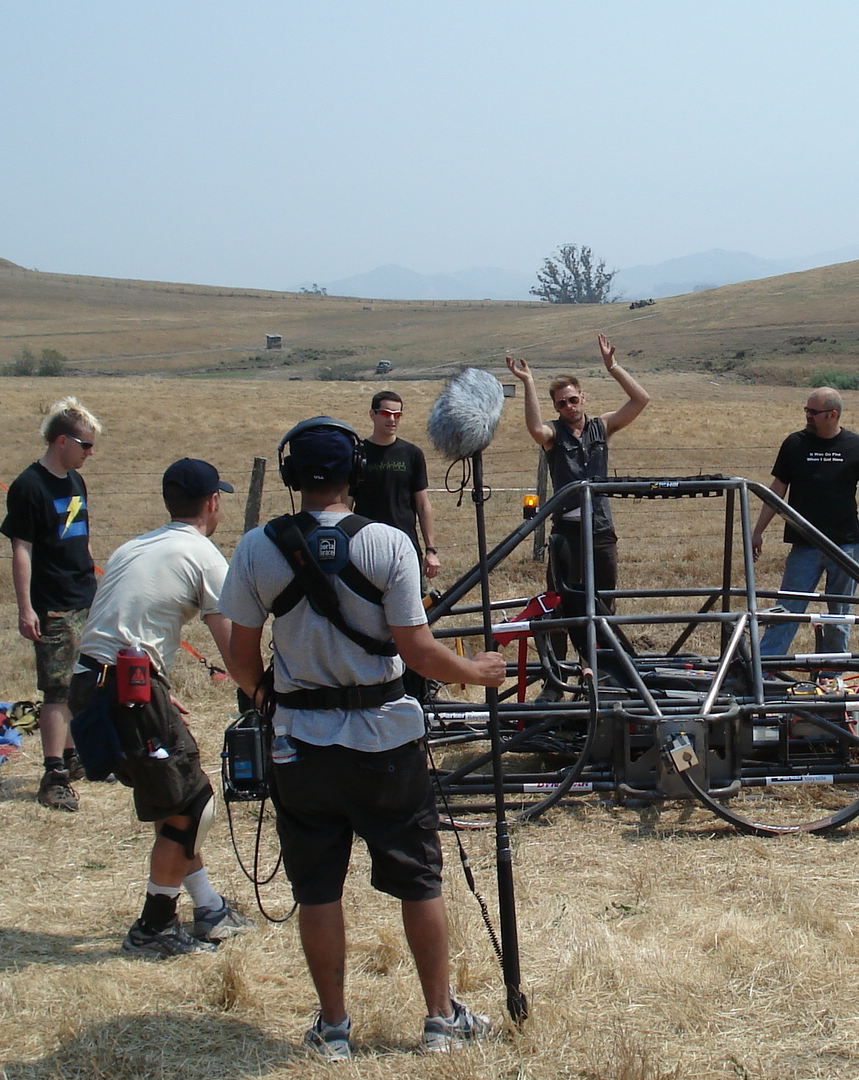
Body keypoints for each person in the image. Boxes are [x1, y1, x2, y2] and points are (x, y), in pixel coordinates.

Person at [222, 417, 508, 1058]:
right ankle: (440, 1019)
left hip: (301, 744)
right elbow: (418, 651)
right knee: (417, 879)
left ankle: (333, 1028)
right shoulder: (387, 544)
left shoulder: (255, 549)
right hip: (384, 741)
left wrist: (273, 697)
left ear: (293, 477)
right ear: (355, 473)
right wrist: (477, 672)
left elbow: (241, 658)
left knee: (317, 889)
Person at [67, 458, 253, 957]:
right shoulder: (203, 554)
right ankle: (153, 928)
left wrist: (153, 685)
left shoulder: (133, 547)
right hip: (127, 690)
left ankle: (209, 907)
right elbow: (236, 651)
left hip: (94, 682)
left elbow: (115, 626)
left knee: (173, 801)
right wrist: (271, 697)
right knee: (191, 807)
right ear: (213, 502)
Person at [505, 335, 650, 670]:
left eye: (572, 400)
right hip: (567, 534)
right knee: (560, 605)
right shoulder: (554, 435)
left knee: (604, 602)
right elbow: (534, 429)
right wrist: (528, 383)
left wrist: (613, 367)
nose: (569, 407)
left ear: (583, 397)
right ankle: (557, 673)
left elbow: (641, 400)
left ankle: (603, 671)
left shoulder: (602, 426)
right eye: (561, 404)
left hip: (600, 529)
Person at [0, 396, 101, 812]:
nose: (89, 453)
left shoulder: (75, 482)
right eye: (86, 445)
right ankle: (53, 772)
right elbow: (21, 550)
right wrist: (26, 608)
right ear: (62, 441)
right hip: (53, 603)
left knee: (82, 682)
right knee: (57, 689)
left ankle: (76, 756)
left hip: (83, 597)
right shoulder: (29, 487)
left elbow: (81, 539)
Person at [749, 387, 859, 656]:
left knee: (840, 615)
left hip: (846, 546)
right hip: (804, 545)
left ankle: (833, 671)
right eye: (806, 410)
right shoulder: (794, 444)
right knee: (786, 609)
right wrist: (758, 531)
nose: (807, 416)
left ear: (833, 414)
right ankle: (765, 669)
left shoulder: (858, 446)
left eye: (813, 412)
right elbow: (777, 489)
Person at [347, 390, 442, 579]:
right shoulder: (357, 454)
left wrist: (431, 550)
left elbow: (423, 505)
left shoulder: (412, 453)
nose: (392, 419)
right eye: (385, 413)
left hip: (405, 547)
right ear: (372, 414)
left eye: (397, 415)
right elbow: (345, 504)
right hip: (365, 547)